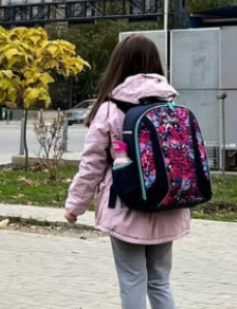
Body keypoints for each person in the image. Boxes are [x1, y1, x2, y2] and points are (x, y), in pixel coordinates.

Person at [64, 35, 188, 309]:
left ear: (118, 65)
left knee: (132, 280)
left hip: (126, 205)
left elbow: (93, 163)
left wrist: (75, 205)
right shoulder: (171, 105)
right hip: (168, 204)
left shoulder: (111, 108)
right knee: (160, 281)